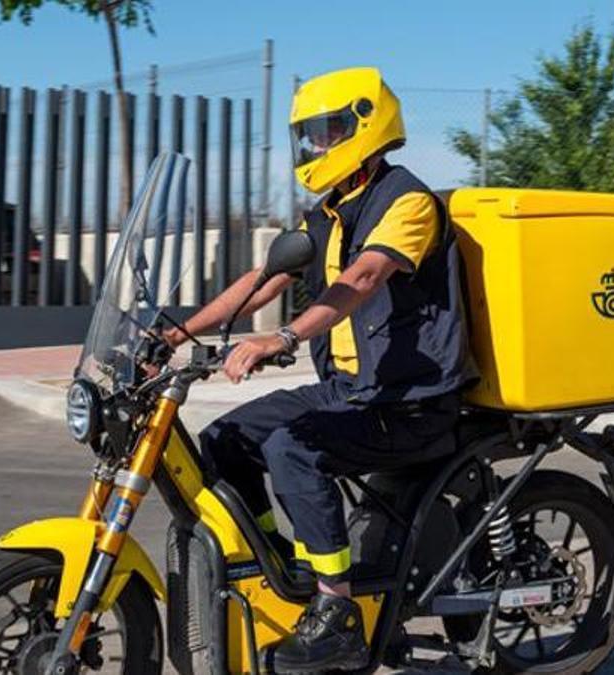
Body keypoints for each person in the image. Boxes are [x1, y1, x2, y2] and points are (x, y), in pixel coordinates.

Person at [163, 66, 471, 672]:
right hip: (351, 391)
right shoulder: (329, 212)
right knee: (226, 439)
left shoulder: (406, 201)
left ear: (365, 126)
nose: (315, 147)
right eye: (309, 136)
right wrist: (174, 333)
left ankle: (338, 613)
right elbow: (260, 282)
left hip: (408, 401)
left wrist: (282, 336)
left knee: (293, 449)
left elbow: (362, 279)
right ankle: (284, 564)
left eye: (326, 132)